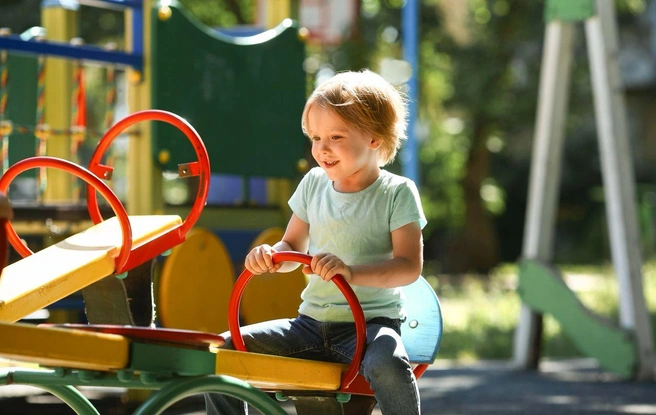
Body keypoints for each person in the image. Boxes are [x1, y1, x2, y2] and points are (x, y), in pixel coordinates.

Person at [205, 69, 427, 415]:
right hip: (309, 325)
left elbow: (408, 267)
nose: (322, 149)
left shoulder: (396, 193)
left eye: (336, 136)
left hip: (368, 327)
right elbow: (291, 247)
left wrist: (349, 272)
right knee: (224, 349)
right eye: (315, 138)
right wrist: (272, 256)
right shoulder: (313, 184)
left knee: (387, 362)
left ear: (374, 138)